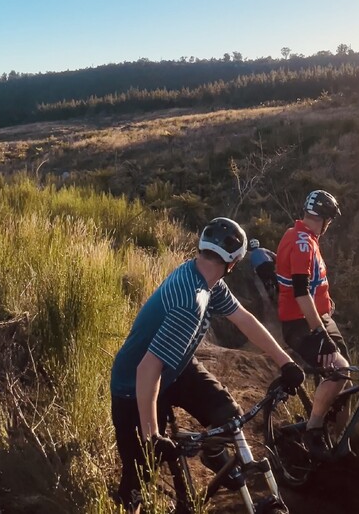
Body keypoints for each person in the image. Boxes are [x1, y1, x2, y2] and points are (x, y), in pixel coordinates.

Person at [111, 217, 305, 512]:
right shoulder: (191, 300)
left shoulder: (209, 282)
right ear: (234, 263)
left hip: (176, 368)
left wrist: (285, 362)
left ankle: (213, 456)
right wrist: (152, 435)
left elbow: (244, 320)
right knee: (140, 476)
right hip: (133, 386)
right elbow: (146, 370)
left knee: (228, 416)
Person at [275, 190, 349, 459]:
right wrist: (320, 331)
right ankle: (314, 427)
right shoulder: (303, 242)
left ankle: (341, 439)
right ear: (326, 219)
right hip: (301, 325)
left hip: (317, 318)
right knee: (339, 371)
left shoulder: (297, 235)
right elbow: (300, 291)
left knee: (347, 373)